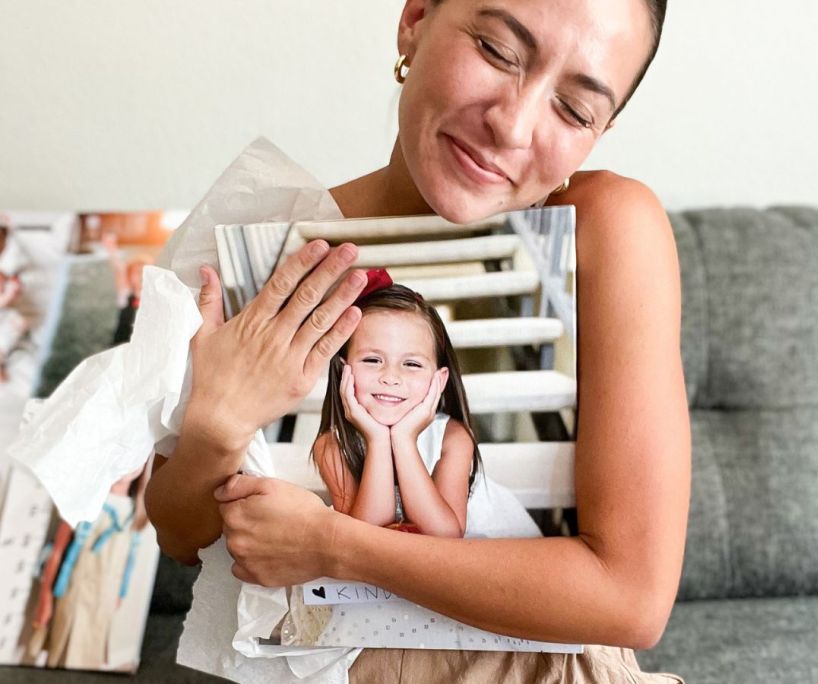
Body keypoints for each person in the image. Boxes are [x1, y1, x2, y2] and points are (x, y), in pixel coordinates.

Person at [146, 0, 690, 681]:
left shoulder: (609, 228)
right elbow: (177, 533)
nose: (513, 126)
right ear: (415, 20)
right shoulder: (271, 239)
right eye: (496, 50)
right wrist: (214, 429)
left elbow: (630, 599)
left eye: (575, 111)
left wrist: (333, 545)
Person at [313, 274, 481, 537]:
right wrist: (378, 439)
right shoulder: (333, 445)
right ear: (343, 370)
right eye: (372, 360)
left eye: (411, 364)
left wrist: (404, 439)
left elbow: (446, 535)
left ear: (439, 380)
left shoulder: (453, 437)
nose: (391, 377)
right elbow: (363, 536)